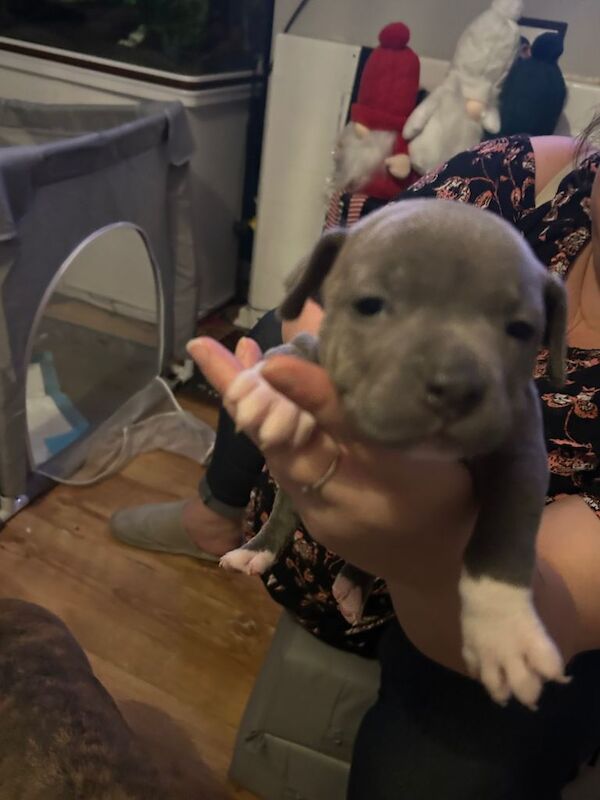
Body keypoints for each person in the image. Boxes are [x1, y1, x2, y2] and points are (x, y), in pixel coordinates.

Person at [112, 119, 600, 797]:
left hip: (484, 588)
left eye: (512, 329)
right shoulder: (529, 177)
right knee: (264, 351)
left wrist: (431, 552)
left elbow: (562, 589)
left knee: (441, 771)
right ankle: (216, 515)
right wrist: (310, 365)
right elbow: (331, 285)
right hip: (330, 521)